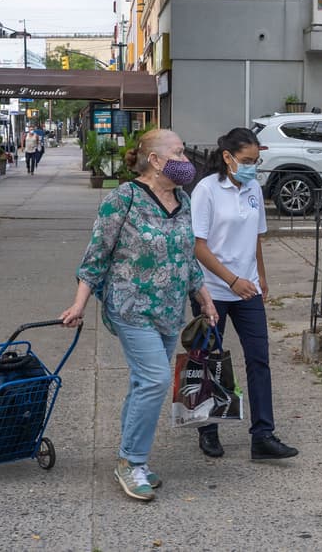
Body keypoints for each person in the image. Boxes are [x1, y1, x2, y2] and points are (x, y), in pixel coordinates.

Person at [59, 128, 219, 502]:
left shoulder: (183, 199)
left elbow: (186, 256)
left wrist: (205, 298)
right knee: (155, 380)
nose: (185, 160)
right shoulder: (123, 199)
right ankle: (131, 462)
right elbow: (96, 254)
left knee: (143, 383)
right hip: (131, 306)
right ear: (156, 160)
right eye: (178, 153)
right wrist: (79, 304)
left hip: (169, 309)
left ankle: (132, 457)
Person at [189, 127, 297, 461]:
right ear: (227, 157)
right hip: (212, 290)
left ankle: (263, 435)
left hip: (247, 289)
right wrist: (232, 280)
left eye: (256, 161)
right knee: (207, 360)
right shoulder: (206, 191)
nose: (253, 167)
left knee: (258, 360)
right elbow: (198, 247)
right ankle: (208, 429)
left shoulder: (252, 187)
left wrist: (260, 277)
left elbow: (256, 237)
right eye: (247, 160)